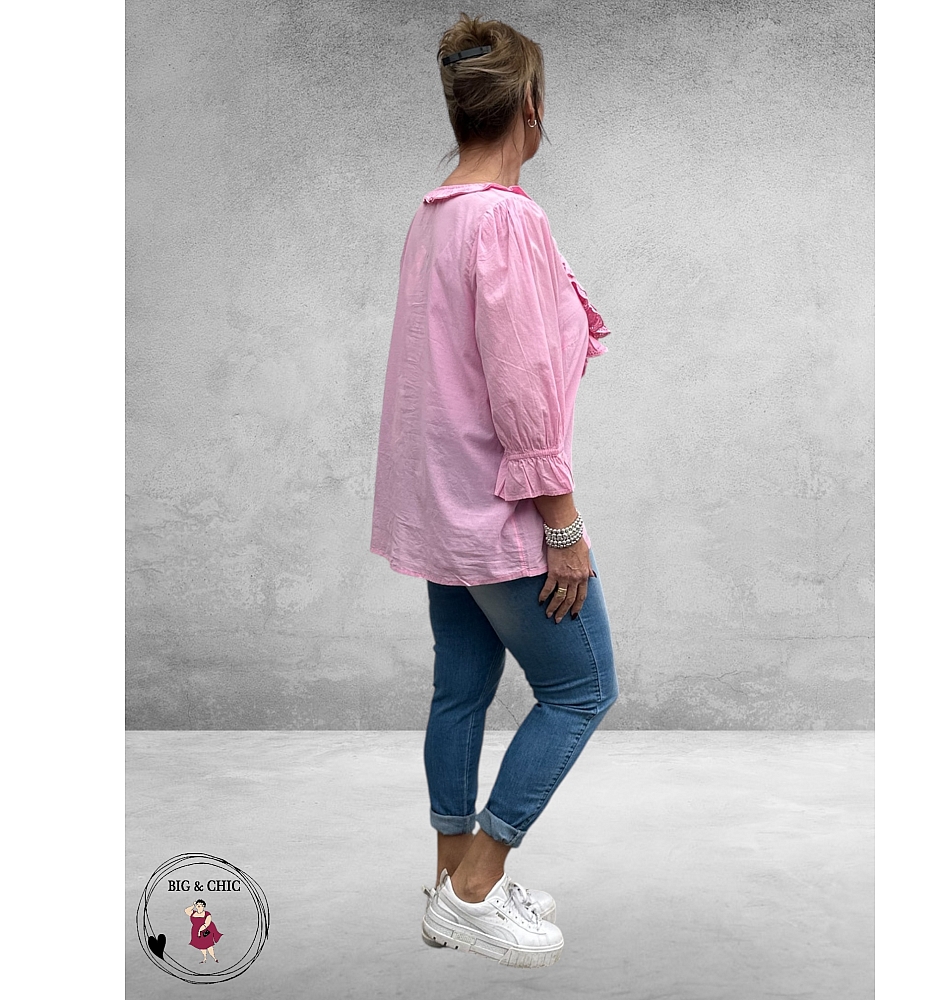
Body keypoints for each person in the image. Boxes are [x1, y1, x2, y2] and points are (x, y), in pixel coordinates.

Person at [370, 13, 618, 969]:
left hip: (443, 504)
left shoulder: (435, 214)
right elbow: (519, 387)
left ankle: (446, 889)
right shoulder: (509, 219)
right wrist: (562, 525)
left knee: (462, 691)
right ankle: (476, 886)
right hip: (501, 510)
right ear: (531, 106)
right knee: (583, 689)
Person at [184, 899, 222, 963]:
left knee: (209, 945)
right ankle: (205, 958)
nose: (199, 906)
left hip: (206, 931)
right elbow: (186, 910)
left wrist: (200, 930)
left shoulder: (207, 914)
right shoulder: (193, 913)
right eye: (197, 904)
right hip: (195, 931)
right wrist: (193, 905)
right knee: (201, 946)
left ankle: (214, 958)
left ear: (203, 906)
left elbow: (207, 923)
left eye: (201, 904)